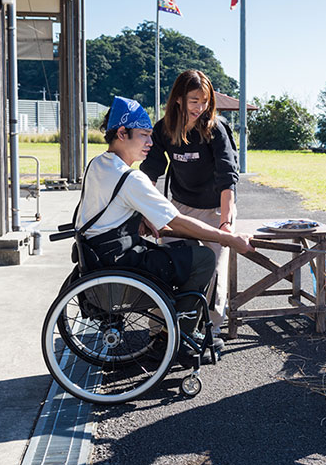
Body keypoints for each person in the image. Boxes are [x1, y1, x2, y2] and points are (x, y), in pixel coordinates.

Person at [76, 96, 252, 343]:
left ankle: (169, 327)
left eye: (150, 135)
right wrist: (229, 238)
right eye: (144, 135)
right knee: (203, 259)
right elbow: (177, 221)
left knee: (181, 250)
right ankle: (182, 336)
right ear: (123, 133)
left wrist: (145, 216)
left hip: (99, 257)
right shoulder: (131, 179)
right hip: (123, 262)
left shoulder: (97, 164)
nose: (151, 143)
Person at [140, 70, 239, 339]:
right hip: (179, 207)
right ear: (179, 99)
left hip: (215, 208)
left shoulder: (215, 129)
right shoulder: (164, 129)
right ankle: (161, 329)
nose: (200, 107)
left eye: (205, 101)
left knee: (215, 273)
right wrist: (145, 212)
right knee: (168, 266)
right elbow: (149, 172)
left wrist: (226, 223)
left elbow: (227, 179)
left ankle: (211, 330)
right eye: (194, 100)